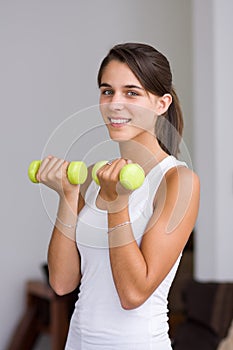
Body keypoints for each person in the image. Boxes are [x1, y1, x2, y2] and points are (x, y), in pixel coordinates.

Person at [37, 43, 200, 349]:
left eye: (132, 93)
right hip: (79, 341)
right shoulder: (96, 176)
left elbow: (133, 294)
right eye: (107, 91)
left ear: (161, 104)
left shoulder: (178, 180)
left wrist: (117, 203)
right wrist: (68, 196)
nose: (115, 104)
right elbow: (62, 282)